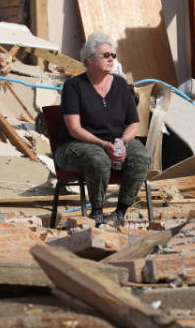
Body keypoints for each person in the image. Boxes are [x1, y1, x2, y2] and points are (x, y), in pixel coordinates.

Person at [55, 32, 151, 227]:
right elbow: (74, 129)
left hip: (114, 141)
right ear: (89, 59)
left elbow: (134, 123)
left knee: (141, 156)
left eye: (112, 55)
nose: (110, 59)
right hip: (75, 146)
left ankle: (120, 213)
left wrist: (123, 142)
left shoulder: (122, 85)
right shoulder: (74, 87)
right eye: (105, 55)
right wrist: (102, 144)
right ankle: (96, 212)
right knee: (98, 158)